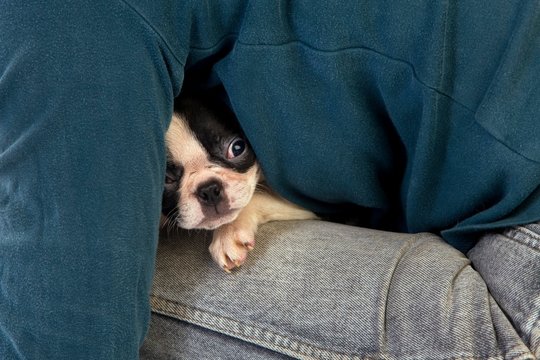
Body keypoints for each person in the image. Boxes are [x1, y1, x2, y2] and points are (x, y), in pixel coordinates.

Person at [1, 1, 538, 358]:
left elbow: (72, 325)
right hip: (485, 193)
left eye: (233, 151)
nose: (208, 185)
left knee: (58, 265)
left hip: (511, 281)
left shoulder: (61, 23)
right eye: (172, 178)